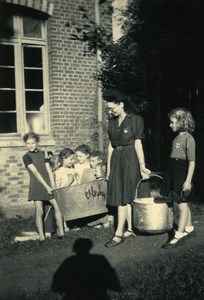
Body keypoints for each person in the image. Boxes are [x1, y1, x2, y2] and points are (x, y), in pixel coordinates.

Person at [103, 89, 151, 248]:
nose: (110, 111)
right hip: (117, 159)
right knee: (118, 195)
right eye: (109, 109)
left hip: (131, 158)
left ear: (121, 104)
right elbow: (111, 146)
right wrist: (109, 169)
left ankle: (125, 231)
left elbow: (138, 143)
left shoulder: (135, 120)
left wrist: (142, 166)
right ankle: (123, 231)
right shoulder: (111, 122)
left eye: (112, 108)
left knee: (129, 194)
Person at [161, 108, 196, 249]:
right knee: (181, 201)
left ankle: (179, 234)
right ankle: (189, 227)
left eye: (172, 122)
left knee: (182, 203)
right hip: (173, 170)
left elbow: (192, 162)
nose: (170, 125)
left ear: (182, 122)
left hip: (182, 171)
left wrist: (187, 181)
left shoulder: (189, 138)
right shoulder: (177, 137)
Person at [22, 132, 65, 241]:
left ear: (37, 142)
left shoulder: (43, 154)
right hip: (37, 185)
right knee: (39, 211)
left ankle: (61, 232)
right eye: (28, 143)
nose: (30, 145)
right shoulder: (26, 157)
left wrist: (53, 184)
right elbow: (36, 173)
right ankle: (41, 237)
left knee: (57, 207)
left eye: (32, 142)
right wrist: (47, 187)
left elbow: (49, 170)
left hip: (48, 184)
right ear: (25, 144)